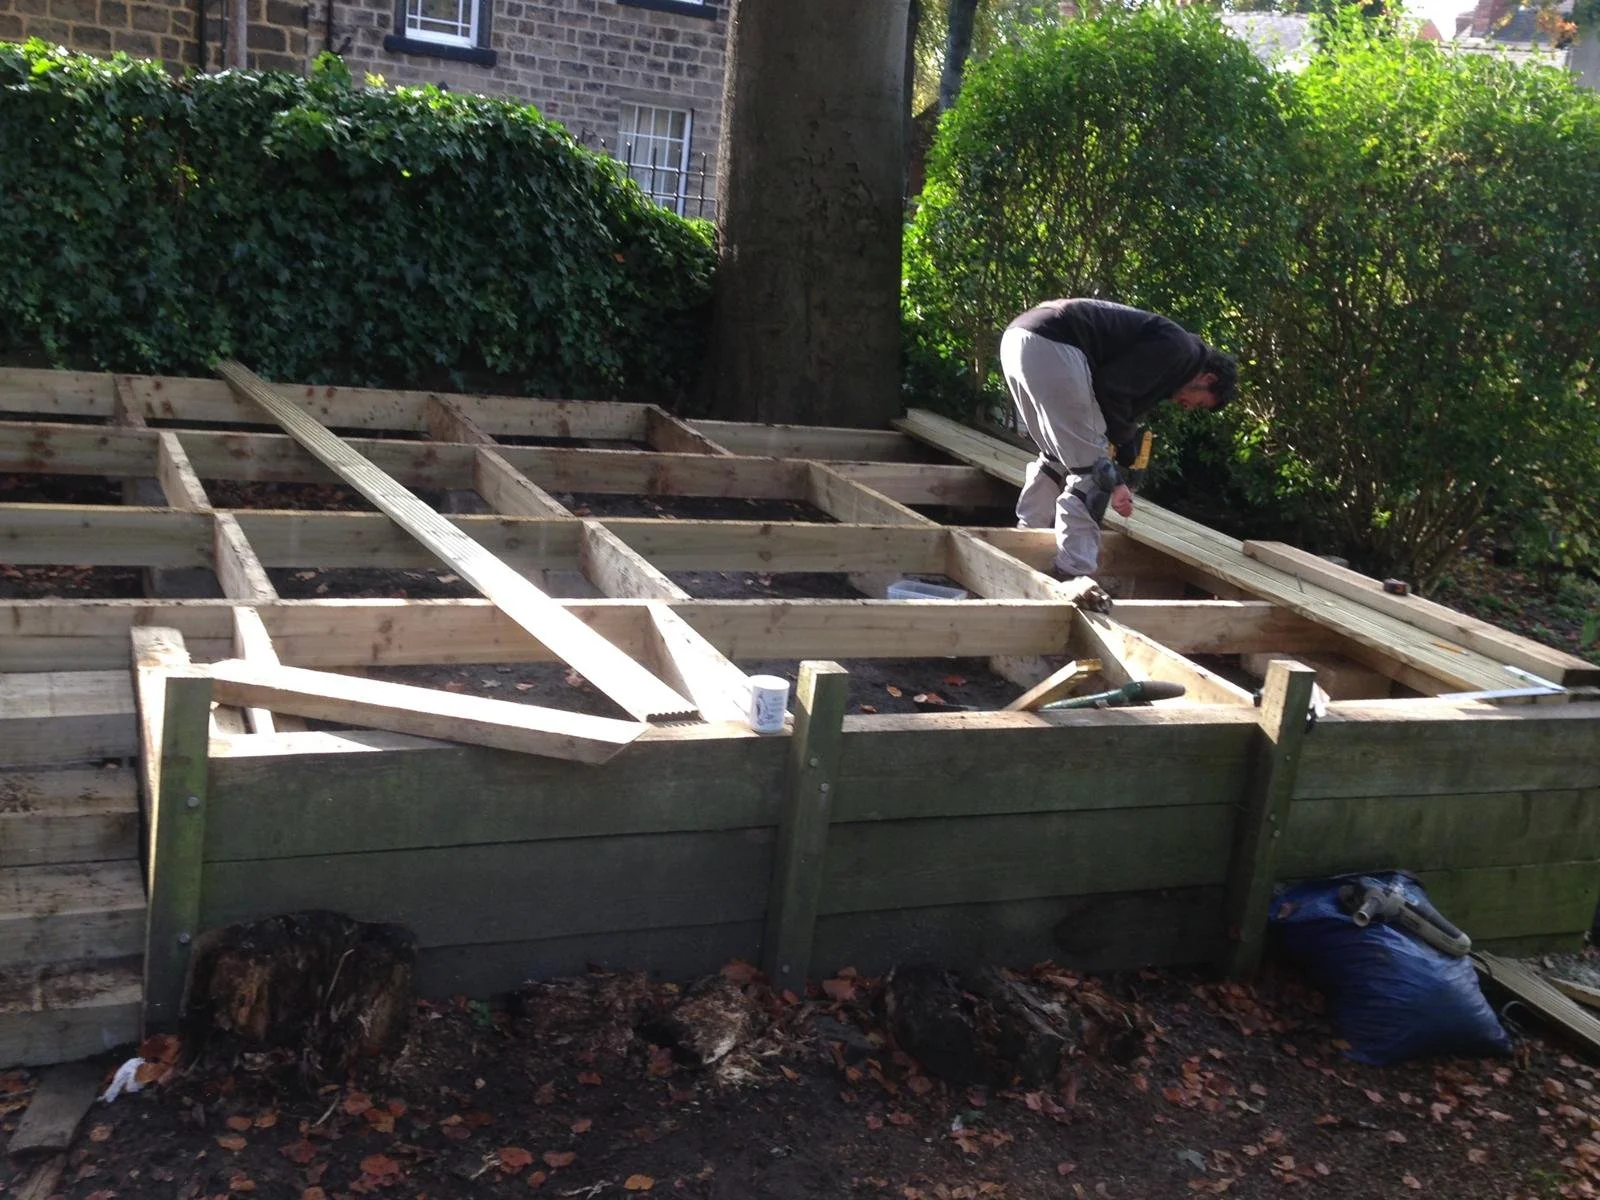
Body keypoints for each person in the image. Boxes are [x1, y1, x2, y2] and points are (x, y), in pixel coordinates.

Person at [1000, 298, 1236, 582]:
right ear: (1208, 378)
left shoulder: (1171, 353)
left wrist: (1122, 458)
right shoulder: (1180, 351)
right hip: (1055, 347)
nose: (1187, 407)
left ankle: (1024, 539)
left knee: (1056, 455)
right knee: (1090, 476)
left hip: (1019, 338)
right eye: (1198, 403)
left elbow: (1112, 406)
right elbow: (1112, 390)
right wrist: (1114, 480)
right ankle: (1072, 575)